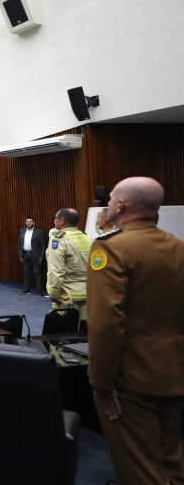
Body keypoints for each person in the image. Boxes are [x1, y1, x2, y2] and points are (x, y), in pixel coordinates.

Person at [87, 177, 184, 485]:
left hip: (130, 378)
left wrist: (101, 383)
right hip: (175, 370)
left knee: (140, 471)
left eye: (111, 197)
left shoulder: (111, 249)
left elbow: (106, 323)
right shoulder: (178, 247)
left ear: (121, 205)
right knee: (171, 461)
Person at [46, 208, 91, 329]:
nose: (54, 221)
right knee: (83, 335)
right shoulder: (87, 238)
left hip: (68, 297)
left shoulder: (59, 240)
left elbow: (56, 271)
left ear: (62, 221)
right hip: (87, 293)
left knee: (63, 337)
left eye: (55, 218)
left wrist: (53, 294)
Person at [18, 216, 46, 295]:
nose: (28, 223)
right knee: (26, 272)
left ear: (33, 222)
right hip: (25, 254)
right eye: (27, 221)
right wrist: (20, 254)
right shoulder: (22, 231)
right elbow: (20, 243)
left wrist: (41, 256)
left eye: (30, 221)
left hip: (35, 255)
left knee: (37, 272)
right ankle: (26, 289)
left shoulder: (39, 232)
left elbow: (43, 245)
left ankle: (40, 291)